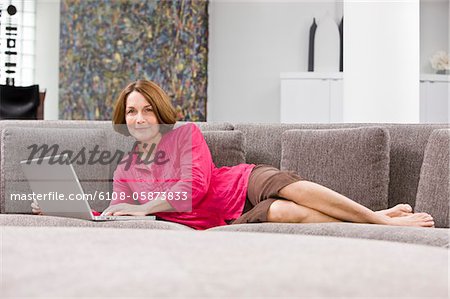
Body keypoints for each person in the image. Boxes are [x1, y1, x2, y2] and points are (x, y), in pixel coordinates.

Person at [32, 79, 435, 230]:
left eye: (147, 108)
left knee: (290, 190)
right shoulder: (126, 168)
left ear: (160, 111)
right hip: (227, 218)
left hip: (240, 182)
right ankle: (378, 220)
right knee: (285, 213)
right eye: (132, 111)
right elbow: (117, 212)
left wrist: (145, 207)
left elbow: (194, 186)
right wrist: (63, 207)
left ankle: (381, 221)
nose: (140, 118)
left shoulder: (186, 134)